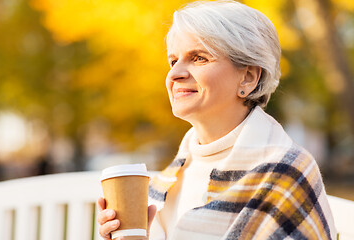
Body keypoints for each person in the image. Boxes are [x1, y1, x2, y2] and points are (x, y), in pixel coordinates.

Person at [97, 1, 337, 239]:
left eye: (199, 58)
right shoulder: (170, 180)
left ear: (248, 78)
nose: (174, 74)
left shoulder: (285, 174)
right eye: (173, 61)